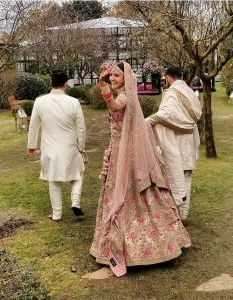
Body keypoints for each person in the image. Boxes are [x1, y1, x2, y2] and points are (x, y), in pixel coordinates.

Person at [89, 62, 191, 278]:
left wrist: (102, 86)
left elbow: (115, 107)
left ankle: (153, 245)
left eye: (116, 76)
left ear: (126, 78)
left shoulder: (126, 96)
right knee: (121, 189)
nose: (112, 79)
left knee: (135, 191)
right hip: (118, 150)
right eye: (110, 77)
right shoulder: (126, 94)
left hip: (128, 153)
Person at [27, 70, 86, 220]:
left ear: (51, 83)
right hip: (70, 146)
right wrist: (82, 147)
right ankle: (75, 201)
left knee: (54, 181)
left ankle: (57, 213)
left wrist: (31, 146)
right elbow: (81, 128)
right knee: (78, 174)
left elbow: (33, 126)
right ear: (66, 84)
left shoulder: (40, 101)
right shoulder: (74, 102)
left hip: (50, 147)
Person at [146, 66, 202, 225]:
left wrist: (148, 122)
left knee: (174, 176)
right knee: (186, 177)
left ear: (168, 78)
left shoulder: (172, 92)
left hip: (175, 141)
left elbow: (166, 113)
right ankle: (183, 214)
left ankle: (175, 214)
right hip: (189, 139)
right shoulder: (190, 91)